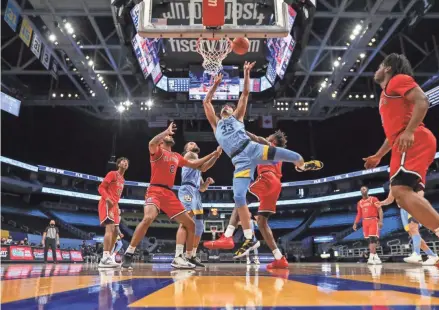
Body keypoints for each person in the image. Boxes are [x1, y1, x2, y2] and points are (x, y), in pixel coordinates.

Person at [202, 62, 323, 258]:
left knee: (291, 156)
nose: (226, 107)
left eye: (229, 107)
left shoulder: (238, 118)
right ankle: (249, 237)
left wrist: (246, 72)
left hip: (253, 149)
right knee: (239, 196)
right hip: (239, 160)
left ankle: (301, 165)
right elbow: (206, 103)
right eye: (224, 107)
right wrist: (215, 85)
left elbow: (245, 95)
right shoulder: (216, 125)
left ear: (233, 112)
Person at [122, 122, 222, 270]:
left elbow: (196, 165)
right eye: (167, 135)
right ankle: (129, 253)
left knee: (192, 225)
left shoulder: (176, 156)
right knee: (149, 218)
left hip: (169, 194)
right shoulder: (157, 151)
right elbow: (151, 142)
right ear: (161, 141)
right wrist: (165, 130)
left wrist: (214, 154)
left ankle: (185, 257)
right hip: (155, 190)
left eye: (170, 134)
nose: (169, 135)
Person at [363, 53, 439, 237]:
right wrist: (379, 155)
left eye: (380, 65)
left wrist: (409, 131)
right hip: (402, 142)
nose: (377, 69)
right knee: (402, 197)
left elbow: (423, 101)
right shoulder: (386, 93)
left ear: (388, 67)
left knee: (400, 191)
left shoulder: (397, 80)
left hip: (414, 139)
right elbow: (392, 135)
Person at [205, 130, 289, 268]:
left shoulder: (271, 147)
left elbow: (257, 138)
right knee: (261, 222)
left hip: (267, 179)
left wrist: (241, 130)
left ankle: (228, 235)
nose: (267, 138)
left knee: (240, 198)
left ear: (273, 141)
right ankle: (279, 258)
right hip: (276, 186)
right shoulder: (273, 153)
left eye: (269, 137)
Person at [174, 141, 221, 268]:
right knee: (186, 221)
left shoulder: (197, 166)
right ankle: (178, 255)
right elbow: (204, 167)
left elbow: (202, 188)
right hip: (187, 189)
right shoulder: (189, 155)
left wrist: (207, 182)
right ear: (186, 149)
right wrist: (214, 154)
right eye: (190, 143)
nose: (193, 144)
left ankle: (191, 255)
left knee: (199, 226)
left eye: (194, 143)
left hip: (196, 192)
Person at [376, 188, 439, 266]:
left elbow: (420, 191)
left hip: (413, 205)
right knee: (412, 234)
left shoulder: (411, 178)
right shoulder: (393, 183)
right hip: (403, 210)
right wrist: (381, 203)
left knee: (413, 228)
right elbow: (390, 199)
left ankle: (416, 254)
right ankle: (432, 255)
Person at [97, 157, 129, 268]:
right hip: (107, 203)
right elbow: (101, 188)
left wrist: (117, 206)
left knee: (115, 232)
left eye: (127, 162)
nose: (125, 163)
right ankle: (104, 257)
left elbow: (117, 195)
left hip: (115, 206)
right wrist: (107, 199)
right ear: (118, 164)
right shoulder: (112, 174)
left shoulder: (123, 180)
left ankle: (109, 256)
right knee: (110, 228)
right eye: (123, 161)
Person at [352, 186, 383, 265]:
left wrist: (381, 221)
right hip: (365, 221)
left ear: (367, 190)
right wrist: (355, 223)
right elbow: (359, 214)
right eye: (361, 189)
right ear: (360, 191)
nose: (363, 190)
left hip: (373, 220)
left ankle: (371, 257)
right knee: (369, 240)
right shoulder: (359, 203)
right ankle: (376, 257)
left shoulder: (373, 199)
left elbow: (380, 209)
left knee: (373, 239)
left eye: (364, 189)